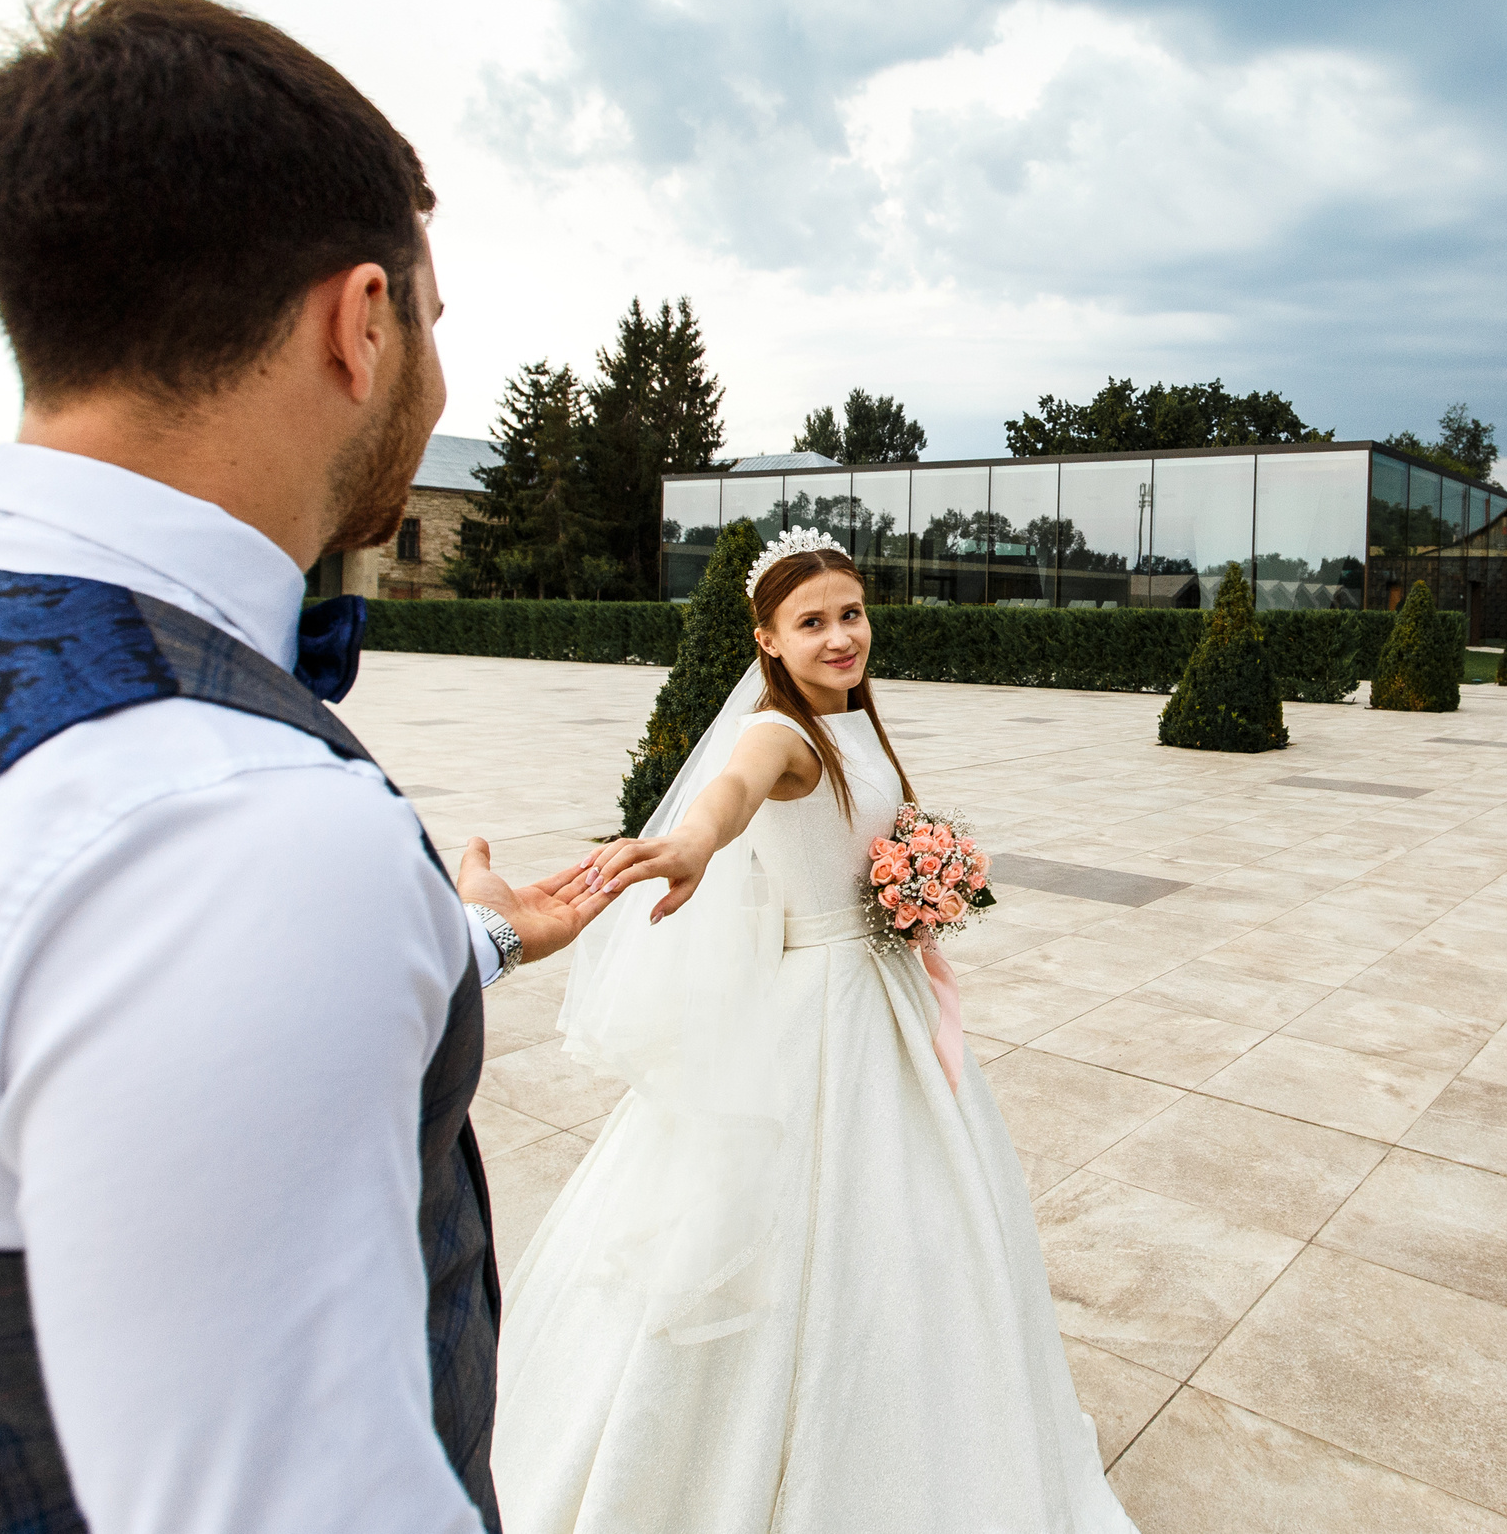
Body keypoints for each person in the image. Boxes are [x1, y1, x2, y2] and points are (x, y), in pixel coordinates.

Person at [0, 0, 610, 1532]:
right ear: (360, 320)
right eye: (433, 324)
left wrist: (485, 930)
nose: (432, 371)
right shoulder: (242, 825)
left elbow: (10, 1038)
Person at [489, 528, 1141, 1533]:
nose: (840, 637)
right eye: (812, 623)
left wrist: (923, 891)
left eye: (851, 613)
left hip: (885, 996)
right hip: (821, 1016)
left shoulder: (857, 727)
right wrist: (691, 843)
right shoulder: (780, 734)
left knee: (920, 1221)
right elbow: (733, 792)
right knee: (801, 1231)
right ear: (766, 642)